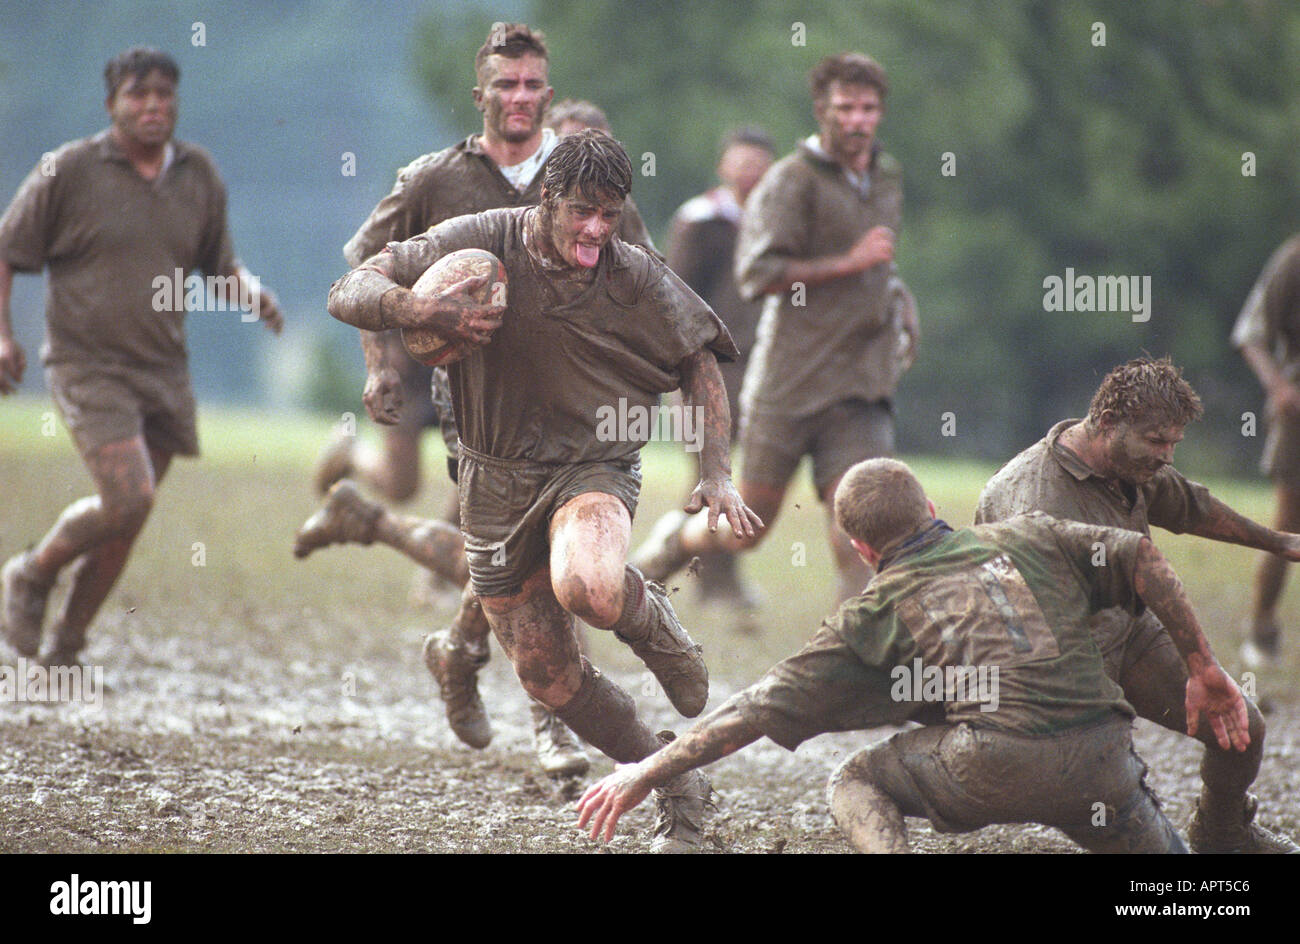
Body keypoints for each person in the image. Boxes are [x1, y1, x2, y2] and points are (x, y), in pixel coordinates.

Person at [325, 129, 762, 852]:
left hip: (592, 463)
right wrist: (418, 312)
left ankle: (658, 628)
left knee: (587, 585)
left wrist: (715, 470)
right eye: (582, 211)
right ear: (548, 199)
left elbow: (701, 360)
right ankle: (679, 785)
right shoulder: (479, 239)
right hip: (494, 479)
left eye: (610, 214)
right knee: (549, 678)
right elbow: (350, 286)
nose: (596, 230)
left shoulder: (633, 271)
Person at [577, 458, 1247, 853]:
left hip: (993, 762)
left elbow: (752, 711)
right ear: (929, 506)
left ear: (862, 550)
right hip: (1103, 755)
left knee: (851, 779)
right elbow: (1141, 556)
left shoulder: (871, 610)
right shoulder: (1031, 536)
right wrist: (1204, 667)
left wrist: (644, 771)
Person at [310, 24, 658, 777]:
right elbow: (363, 272)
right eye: (507, 85)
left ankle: (462, 648)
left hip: (570, 406)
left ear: (550, 96)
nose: (521, 98)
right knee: (519, 561)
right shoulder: (434, 180)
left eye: (533, 85)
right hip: (474, 403)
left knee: (537, 561)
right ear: (482, 96)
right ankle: (542, 711)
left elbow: (645, 287)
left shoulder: (580, 185)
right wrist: (381, 365)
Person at [0, 47, 281, 667]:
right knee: (130, 499)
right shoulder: (67, 170)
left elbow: (219, 267)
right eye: (138, 94)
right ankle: (30, 572)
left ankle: (66, 645)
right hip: (86, 364)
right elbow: (7, 248)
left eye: (164, 95)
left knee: (127, 518)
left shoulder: (199, 174)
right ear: (111, 104)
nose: (153, 106)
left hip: (163, 368)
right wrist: (3, 335)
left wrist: (254, 294)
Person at [974, 356, 1299, 853]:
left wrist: (1278, 542)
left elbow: (1192, 506)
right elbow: (1029, 626)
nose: (1167, 455)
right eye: (1157, 441)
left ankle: (1222, 830)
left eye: (1174, 443)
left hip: (1129, 631)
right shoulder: (1032, 498)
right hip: (1059, 660)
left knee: (1242, 728)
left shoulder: (1130, 462)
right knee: (1116, 795)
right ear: (1107, 423)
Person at [633, 52, 918, 606]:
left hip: (861, 386)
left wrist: (897, 296)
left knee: (863, 523)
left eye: (868, 108)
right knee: (749, 526)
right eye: (846, 108)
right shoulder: (791, 180)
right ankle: (671, 547)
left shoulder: (885, 177)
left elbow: (881, 262)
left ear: (880, 112)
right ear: (822, 109)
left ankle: (849, 659)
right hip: (789, 383)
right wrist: (849, 262)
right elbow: (757, 272)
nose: (857, 120)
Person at [663, 127, 775, 621]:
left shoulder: (781, 225)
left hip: (765, 367)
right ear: (722, 167)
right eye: (741, 161)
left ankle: (699, 568)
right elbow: (676, 295)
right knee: (713, 475)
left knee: (748, 478)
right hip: (707, 367)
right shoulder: (701, 221)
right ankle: (716, 584)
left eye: (760, 162)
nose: (751, 172)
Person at [1231, 234, 1300, 668]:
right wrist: (1280, 388)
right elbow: (1251, 334)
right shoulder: (1293, 261)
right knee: (1288, 522)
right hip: (1298, 413)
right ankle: (1261, 626)